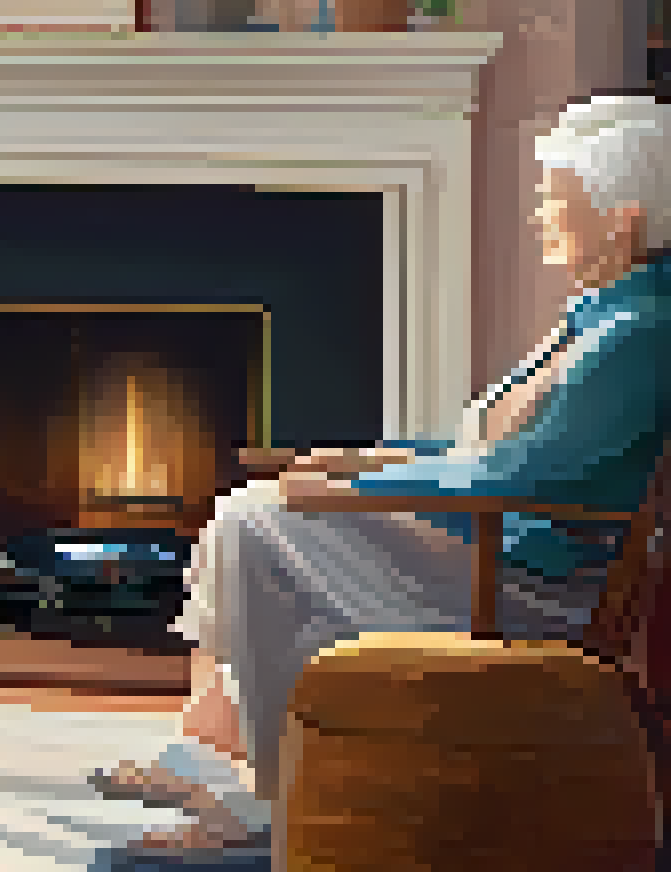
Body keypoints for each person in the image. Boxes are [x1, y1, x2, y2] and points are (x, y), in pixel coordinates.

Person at [92, 91, 671, 853]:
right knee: (256, 525)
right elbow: (481, 450)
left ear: (621, 218)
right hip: (502, 551)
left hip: (532, 584)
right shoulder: (594, 320)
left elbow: (525, 477)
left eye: (555, 199)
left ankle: (260, 798)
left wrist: (353, 492)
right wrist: (370, 460)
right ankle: (224, 756)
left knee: (251, 523)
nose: (539, 216)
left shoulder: (637, 336)